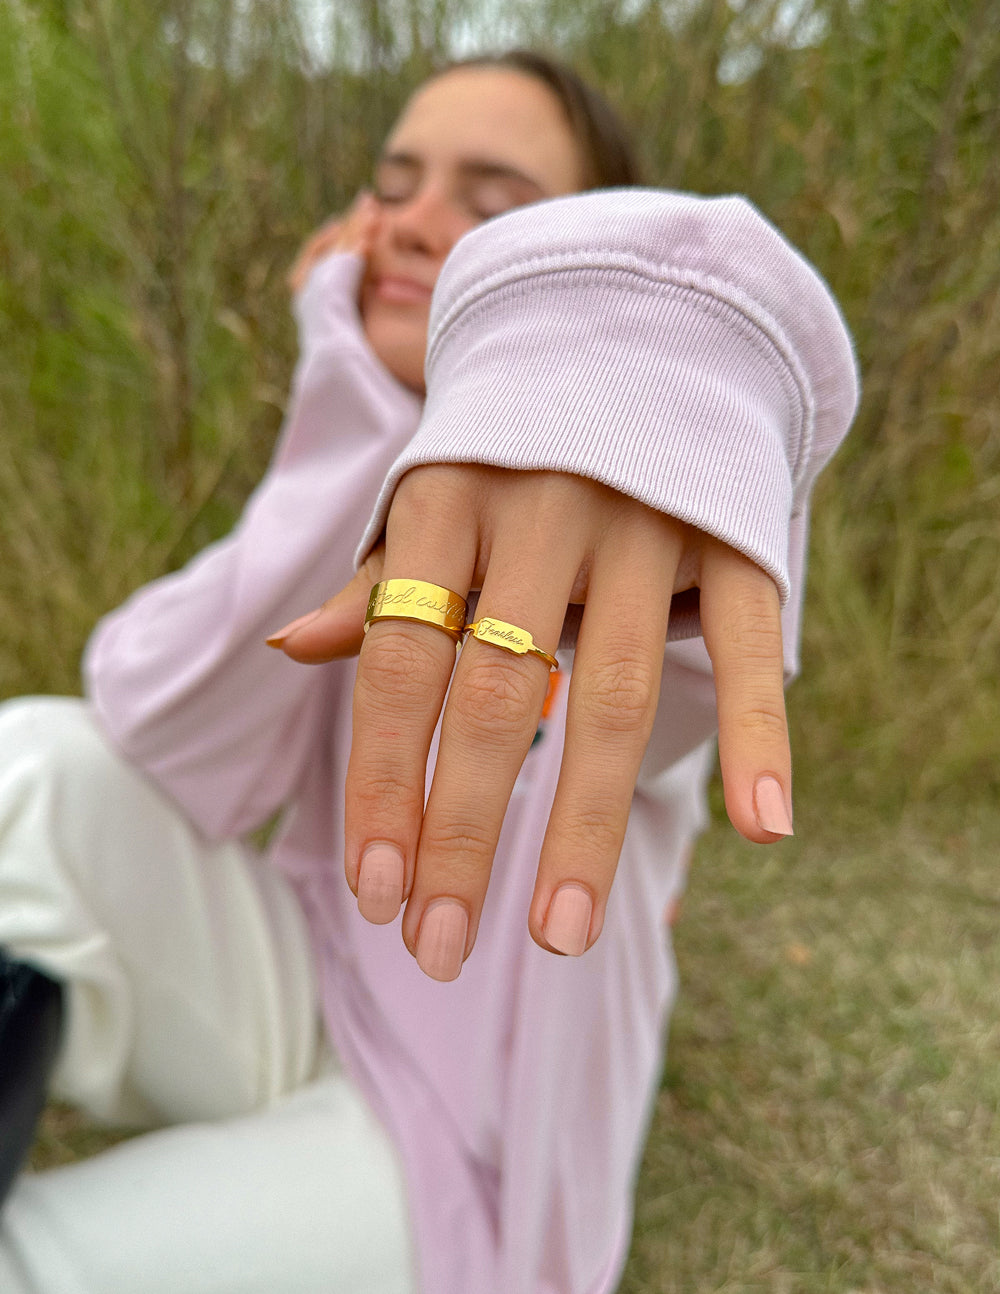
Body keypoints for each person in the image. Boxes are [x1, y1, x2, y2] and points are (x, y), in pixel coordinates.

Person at [0, 50, 858, 1294]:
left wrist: (672, 364)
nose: (410, 222)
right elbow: (162, 726)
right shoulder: (381, 468)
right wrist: (343, 392)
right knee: (38, 758)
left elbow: (714, 323)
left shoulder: (646, 512)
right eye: (392, 184)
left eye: (491, 204)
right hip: (312, 991)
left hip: (457, 1148)